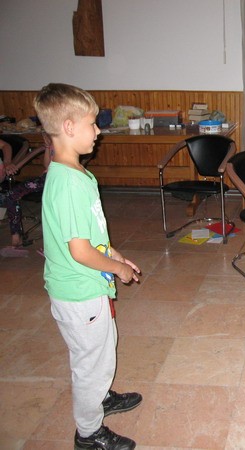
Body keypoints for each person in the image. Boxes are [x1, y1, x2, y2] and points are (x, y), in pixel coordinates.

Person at [34, 83, 142, 450]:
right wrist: (117, 269)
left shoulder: (76, 173)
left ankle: (101, 397)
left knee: (101, 351)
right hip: (79, 291)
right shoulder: (68, 184)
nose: (98, 131)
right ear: (68, 127)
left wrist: (114, 254)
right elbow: (80, 251)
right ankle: (89, 433)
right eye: (92, 124)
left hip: (87, 287)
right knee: (91, 364)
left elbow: (91, 233)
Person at [0, 134, 53, 257]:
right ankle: (16, 239)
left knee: (53, 204)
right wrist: (47, 147)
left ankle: (55, 246)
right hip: (47, 177)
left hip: (61, 178)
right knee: (12, 195)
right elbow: (46, 165)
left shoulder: (67, 141)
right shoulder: (52, 142)